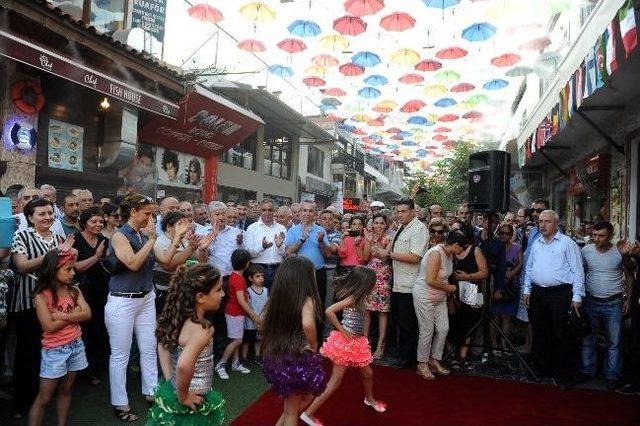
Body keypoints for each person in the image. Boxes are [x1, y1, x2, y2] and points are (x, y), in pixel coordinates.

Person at [104, 193, 186, 421]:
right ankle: (120, 403)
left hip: (146, 297)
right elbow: (132, 263)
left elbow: (166, 261)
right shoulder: (120, 235)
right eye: (147, 213)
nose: (150, 218)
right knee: (120, 355)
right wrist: (151, 239)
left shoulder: (144, 234)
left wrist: (177, 238)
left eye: (151, 213)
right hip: (122, 300)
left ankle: (151, 393)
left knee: (149, 348)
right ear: (133, 213)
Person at [302, 266, 386, 425]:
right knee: (335, 382)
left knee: (367, 373)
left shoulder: (361, 296)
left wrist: (363, 336)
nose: (374, 284)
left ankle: (369, 399)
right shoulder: (353, 298)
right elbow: (329, 311)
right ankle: (308, 413)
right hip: (347, 343)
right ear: (365, 283)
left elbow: (362, 317)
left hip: (357, 342)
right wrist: (342, 330)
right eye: (372, 282)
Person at [10, 198, 71, 417]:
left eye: (49, 213)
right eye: (41, 214)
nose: (47, 217)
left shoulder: (58, 236)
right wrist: (54, 254)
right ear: (30, 217)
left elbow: (65, 268)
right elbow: (21, 265)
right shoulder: (21, 236)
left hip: (53, 303)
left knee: (50, 352)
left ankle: (42, 399)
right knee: (28, 354)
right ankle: (20, 403)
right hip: (27, 303)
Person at [149, 263, 225, 425]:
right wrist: (183, 396)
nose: (223, 294)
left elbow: (163, 345)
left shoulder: (177, 319)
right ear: (200, 297)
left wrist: (171, 380)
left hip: (175, 390)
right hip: (194, 399)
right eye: (218, 290)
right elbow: (184, 365)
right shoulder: (203, 329)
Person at [28, 248, 91, 426]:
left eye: (73, 269)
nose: (73, 273)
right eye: (68, 269)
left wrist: (61, 316)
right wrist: (75, 313)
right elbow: (49, 326)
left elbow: (87, 314)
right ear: (53, 270)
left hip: (75, 345)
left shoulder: (74, 290)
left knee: (66, 389)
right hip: (54, 351)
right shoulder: (42, 296)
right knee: (44, 397)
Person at [261, 256, 327, 426]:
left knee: (291, 406)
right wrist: (313, 345)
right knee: (291, 412)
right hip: (296, 357)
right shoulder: (307, 299)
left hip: (277, 356)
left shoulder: (277, 298)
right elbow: (307, 324)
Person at [523, 210, 585, 387]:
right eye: (540, 221)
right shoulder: (536, 243)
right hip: (538, 293)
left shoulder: (567, 243)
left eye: (547, 221)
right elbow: (529, 267)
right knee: (541, 331)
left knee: (562, 334)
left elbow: (577, 271)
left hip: (560, 293)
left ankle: (563, 374)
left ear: (556, 224)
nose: (542, 225)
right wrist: (527, 289)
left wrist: (577, 296)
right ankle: (543, 369)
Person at [580, 221, 632, 390]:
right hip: (590, 301)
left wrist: (628, 299)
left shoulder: (619, 251)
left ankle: (612, 374)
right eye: (594, 235)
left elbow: (630, 274)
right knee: (588, 338)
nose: (596, 238)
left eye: (601, 235)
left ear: (610, 236)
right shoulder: (586, 251)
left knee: (614, 341)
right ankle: (588, 370)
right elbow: (581, 272)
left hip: (614, 301)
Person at [414, 230, 468, 380]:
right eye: (462, 248)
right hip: (425, 295)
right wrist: (450, 288)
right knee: (427, 330)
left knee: (443, 328)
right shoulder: (436, 253)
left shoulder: (450, 254)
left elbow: (444, 276)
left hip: (440, 297)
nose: (462, 252)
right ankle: (422, 364)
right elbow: (430, 280)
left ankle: (434, 360)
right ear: (456, 245)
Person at [72, 207, 110, 386]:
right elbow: (75, 267)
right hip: (82, 291)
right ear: (84, 222)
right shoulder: (76, 240)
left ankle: (96, 367)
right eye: (93, 221)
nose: (98, 224)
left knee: (100, 329)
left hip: (103, 290)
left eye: (101, 221)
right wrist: (96, 257)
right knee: (84, 331)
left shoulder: (104, 240)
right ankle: (83, 370)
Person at [389, 198, 428, 368]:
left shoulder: (419, 229)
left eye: (403, 211)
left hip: (411, 285)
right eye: (397, 211)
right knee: (400, 320)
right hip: (398, 282)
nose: (399, 214)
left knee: (409, 322)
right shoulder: (402, 227)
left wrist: (388, 255)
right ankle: (403, 353)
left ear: (412, 212)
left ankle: (409, 358)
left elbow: (415, 257)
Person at [215, 249, 260, 379]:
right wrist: (254, 316)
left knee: (236, 339)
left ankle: (235, 363)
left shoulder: (235, 277)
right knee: (238, 340)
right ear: (246, 264)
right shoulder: (238, 279)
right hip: (234, 313)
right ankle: (221, 364)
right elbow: (241, 301)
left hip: (235, 313)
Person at [450, 223, 488, 369]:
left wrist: (467, 277)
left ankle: (463, 356)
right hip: (454, 290)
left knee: (470, 323)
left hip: (473, 290)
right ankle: (453, 354)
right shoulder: (452, 248)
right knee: (455, 322)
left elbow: (484, 273)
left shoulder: (475, 250)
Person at [285, 201, 332, 314]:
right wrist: (301, 239)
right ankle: (299, 331)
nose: (307, 213)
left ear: (315, 214)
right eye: (304, 210)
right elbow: (288, 252)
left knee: (318, 305)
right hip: (299, 273)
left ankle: (317, 331)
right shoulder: (292, 230)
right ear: (300, 213)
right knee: (297, 305)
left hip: (318, 273)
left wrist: (321, 241)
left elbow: (327, 254)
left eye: (310, 211)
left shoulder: (321, 230)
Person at [153, 212, 202, 313]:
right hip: (166, 291)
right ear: (169, 227)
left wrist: (202, 250)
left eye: (186, 224)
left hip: (184, 289)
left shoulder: (185, 240)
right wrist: (189, 249)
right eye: (181, 224)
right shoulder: (160, 241)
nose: (185, 227)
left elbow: (200, 262)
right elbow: (168, 266)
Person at [363, 213, 392, 359]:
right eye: (376, 223)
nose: (378, 226)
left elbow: (383, 255)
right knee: (367, 310)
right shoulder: (369, 237)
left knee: (382, 312)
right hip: (370, 276)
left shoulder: (390, 238)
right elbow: (366, 256)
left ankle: (381, 344)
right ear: (372, 224)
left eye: (381, 223)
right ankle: (365, 342)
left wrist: (378, 241)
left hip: (384, 277)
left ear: (386, 225)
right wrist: (368, 240)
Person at [491, 223, 522, 351]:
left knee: (507, 317)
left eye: (507, 233)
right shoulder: (494, 247)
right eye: (501, 233)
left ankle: (504, 343)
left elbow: (521, 263)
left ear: (511, 235)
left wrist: (512, 273)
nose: (503, 235)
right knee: (494, 316)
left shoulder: (517, 248)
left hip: (511, 288)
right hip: (496, 286)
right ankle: (493, 344)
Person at [245, 199, 287, 290]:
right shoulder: (252, 228)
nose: (267, 213)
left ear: (274, 211)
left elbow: (284, 253)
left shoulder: (282, 228)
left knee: (276, 300)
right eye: (264, 210)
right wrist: (262, 247)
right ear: (260, 211)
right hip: (258, 271)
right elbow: (249, 253)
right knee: (258, 302)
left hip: (277, 270)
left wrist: (279, 246)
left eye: (270, 210)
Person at [241, 265, 269, 363]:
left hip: (262, 320)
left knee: (259, 339)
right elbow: (247, 306)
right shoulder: (248, 291)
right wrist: (254, 318)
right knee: (247, 340)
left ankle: (257, 356)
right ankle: (244, 357)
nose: (261, 278)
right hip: (250, 321)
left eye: (262, 276)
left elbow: (267, 305)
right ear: (250, 278)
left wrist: (264, 318)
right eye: (257, 276)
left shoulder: (266, 290)